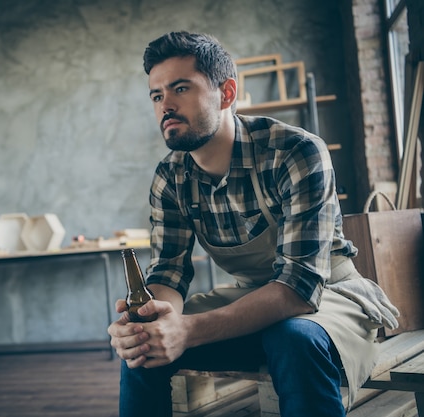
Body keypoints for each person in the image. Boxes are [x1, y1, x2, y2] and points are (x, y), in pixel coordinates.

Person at [107, 31, 400, 417]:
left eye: (180, 88)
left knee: (293, 337)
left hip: (328, 295)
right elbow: (168, 273)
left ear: (227, 93)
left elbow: (298, 288)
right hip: (248, 297)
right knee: (146, 348)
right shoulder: (170, 177)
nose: (166, 105)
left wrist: (188, 330)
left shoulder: (295, 151)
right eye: (157, 95)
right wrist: (151, 319)